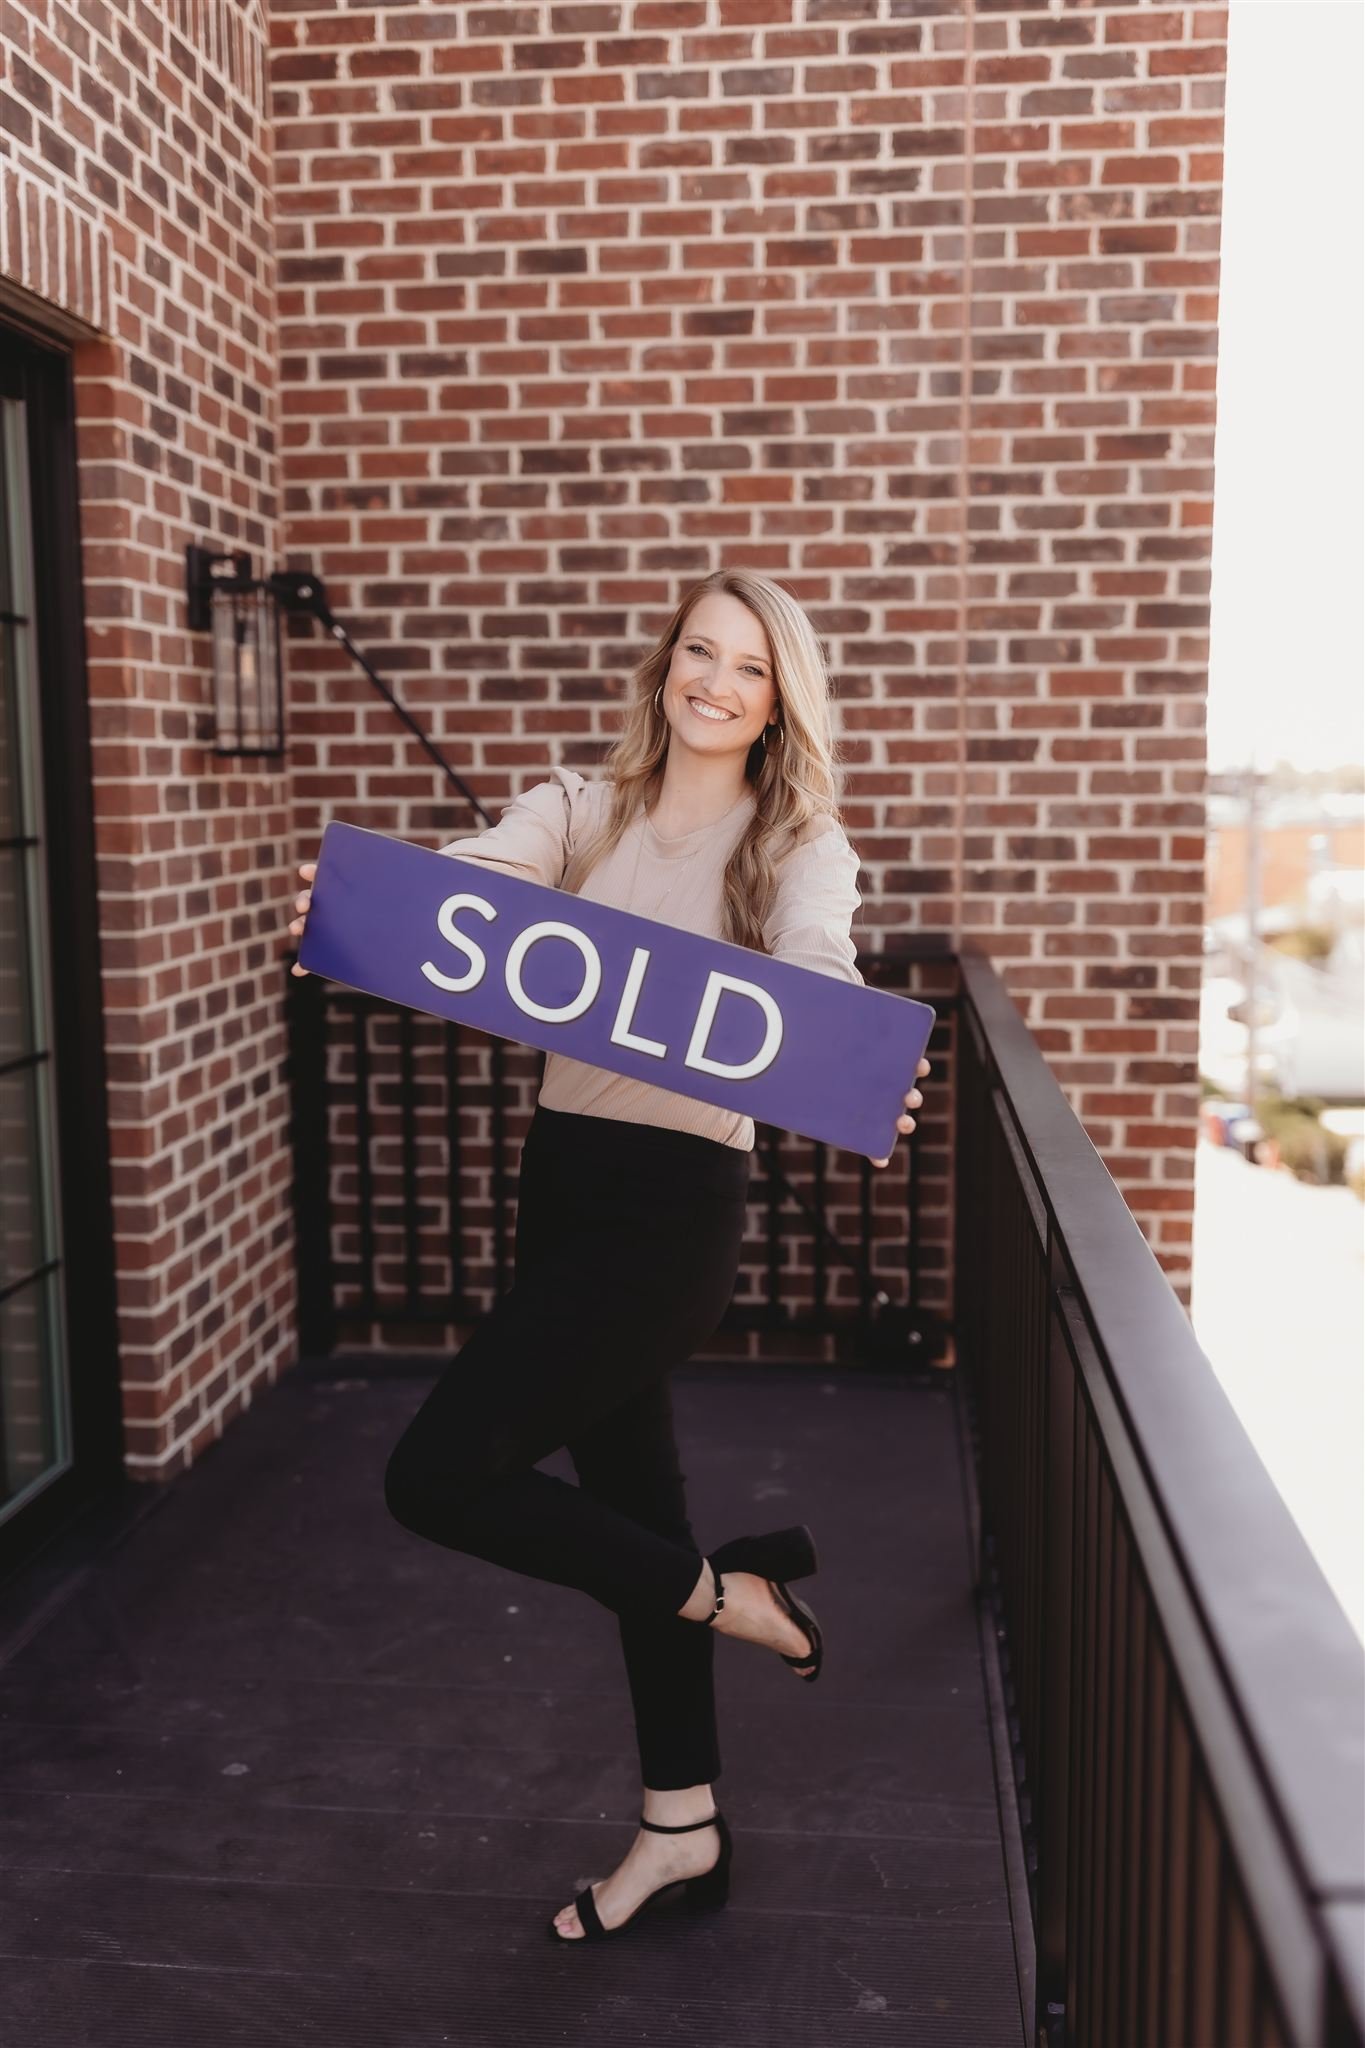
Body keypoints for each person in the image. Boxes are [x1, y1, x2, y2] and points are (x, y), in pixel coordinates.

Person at [286, 568, 931, 1943]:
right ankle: (680, 1827)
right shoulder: (580, 807)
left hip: (672, 1213)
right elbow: (479, 891)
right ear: (665, 664)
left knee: (439, 1474)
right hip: (564, 1185)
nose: (713, 682)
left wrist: (850, 1050)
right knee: (631, 1517)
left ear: (778, 700)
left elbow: (817, 965)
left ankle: (730, 1598)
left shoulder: (794, 842)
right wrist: (378, 906)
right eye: (698, 651)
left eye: (748, 668)